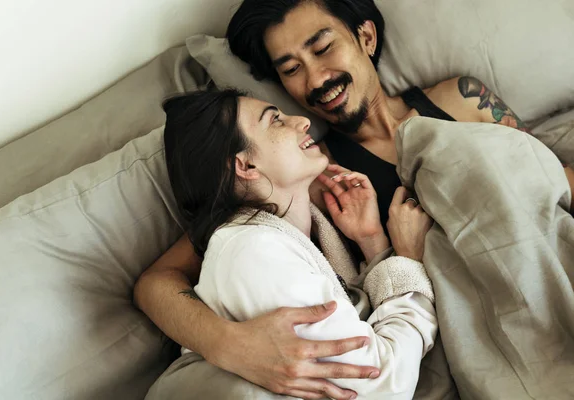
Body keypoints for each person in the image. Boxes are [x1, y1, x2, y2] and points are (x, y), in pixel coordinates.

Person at [135, 0, 574, 398]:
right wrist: (227, 345)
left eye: (322, 48)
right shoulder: (311, 178)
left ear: (366, 37)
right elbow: (157, 281)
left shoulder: (464, 100)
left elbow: (545, 180)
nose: (315, 79)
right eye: (291, 69)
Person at [145, 89, 436, 399]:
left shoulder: (295, 233)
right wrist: (409, 265)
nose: (302, 122)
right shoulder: (252, 251)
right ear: (246, 166)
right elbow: (384, 384)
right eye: (276, 120)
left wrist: (372, 241)